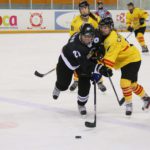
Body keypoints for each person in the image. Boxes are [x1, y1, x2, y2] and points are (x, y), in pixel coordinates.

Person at [52, 23, 112, 115]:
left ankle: (81, 104)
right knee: (63, 85)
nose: (88, 39)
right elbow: (85, 64)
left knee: (85, 83)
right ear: (81, 35)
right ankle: (58, 87)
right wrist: (100, 68)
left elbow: (101, 40)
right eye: (85, 36)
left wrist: (100, 50)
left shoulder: (95, 35)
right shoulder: (75, 46)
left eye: (90, 36)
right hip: (68, 62)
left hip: (83, 59)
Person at [99, 17, 150, 116]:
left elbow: (111, 56)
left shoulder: (112, 40)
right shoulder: (106, 35)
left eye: (106, 27)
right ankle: (146, 99)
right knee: (132, 85)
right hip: (125, 59)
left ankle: (129, 104)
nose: (103, 29)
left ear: (111, 27)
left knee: (124, 83)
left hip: (131, 58)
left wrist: (105, 67)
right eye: (101, 27)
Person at [69, 0, 107, 92]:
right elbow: (73, 35)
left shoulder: (95, 18)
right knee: (77, 61)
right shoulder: (75, 20)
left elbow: (101, 31)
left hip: (93, 45)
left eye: (85, 8)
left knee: (97, 60)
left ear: (88, 8)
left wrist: (99, 44)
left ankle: (100, 81)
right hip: (81, 45)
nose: (83, 10)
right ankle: (76, 80)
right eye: (81, 8)